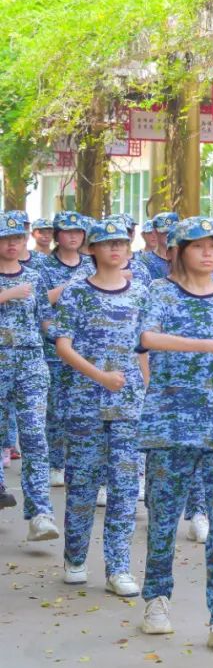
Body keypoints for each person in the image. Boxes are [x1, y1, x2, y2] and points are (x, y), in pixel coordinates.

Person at [136, 216, 213, 655]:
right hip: (171, 421)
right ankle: (156, 599)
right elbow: (147, 338)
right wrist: (208, 345)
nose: (210, 253)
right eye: (199, 246)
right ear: (179, 250)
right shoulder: (160, 292)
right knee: (164, 520)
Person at [53, 219, 148, 597]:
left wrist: (149, 390)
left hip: (128, 405)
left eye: (121, 243)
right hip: (86, 403)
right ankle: (75, 557)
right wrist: (100, 377)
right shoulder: (76, 292)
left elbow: (144, 347)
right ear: (92, 249)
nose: (115, 249)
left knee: (125, 487)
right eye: (106, 243)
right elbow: (63, 346)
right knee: (83, 485)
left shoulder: (140, 293)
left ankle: (119, 567)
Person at [0, 211, 59, 539]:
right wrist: (9, 294)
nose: (12, 244)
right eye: (6, 238)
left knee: (35, 437)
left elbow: (47, 321)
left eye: (17, 238)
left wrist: (67, 340)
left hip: (31, 366)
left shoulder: (35, 278)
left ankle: (40, 512)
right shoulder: (19, 285)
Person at [37, 211, 96, 486]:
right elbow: (39, 304)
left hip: (91, 346)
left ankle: (84, 465)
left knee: (87, 410)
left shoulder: (92, 264)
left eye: (78, 231)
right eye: (67, 231)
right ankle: (56, 463)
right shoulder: (43, 267)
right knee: (57, 409)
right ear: (57, 236)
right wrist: (69, 286)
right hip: (55, 347)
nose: (73, 236)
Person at [139, 212, 178, 281]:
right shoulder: (144, 261)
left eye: (173, 231)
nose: (169, 235)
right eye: (165, 232)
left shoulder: (186, 258)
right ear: (154, 232)